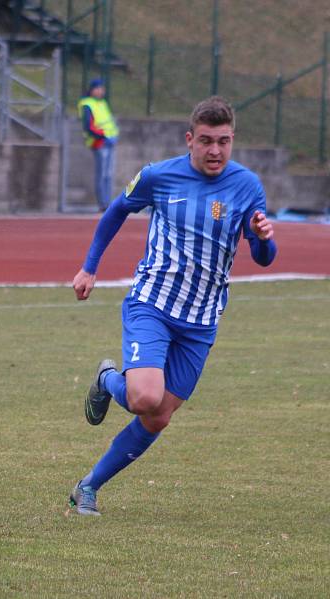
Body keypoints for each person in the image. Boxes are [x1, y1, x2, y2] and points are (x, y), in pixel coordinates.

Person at [69, 96, 277, 516]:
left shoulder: (247, 186)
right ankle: (110, 379)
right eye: (206, 141)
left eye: (223, 141)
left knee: (158, 416)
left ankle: (88, 486)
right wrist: (89, 268)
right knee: (146, 397)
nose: (215, 150)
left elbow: (263, 257)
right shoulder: (158, 177)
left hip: (201, 321)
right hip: (154, 305)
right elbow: (116, 212)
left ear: (232, 139)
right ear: (189, 140)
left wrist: (264, 236)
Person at [77, 78, 119, 211]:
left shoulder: (102, 103)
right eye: (99, 88)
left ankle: (107, 202)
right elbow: (88, 126)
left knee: (108, 174)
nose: (102, 91)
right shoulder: (87, 104)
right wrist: (102, 136)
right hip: (100, 142)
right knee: (102, 175)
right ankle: (103, 204)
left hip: (110, 141)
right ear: (93, 89)